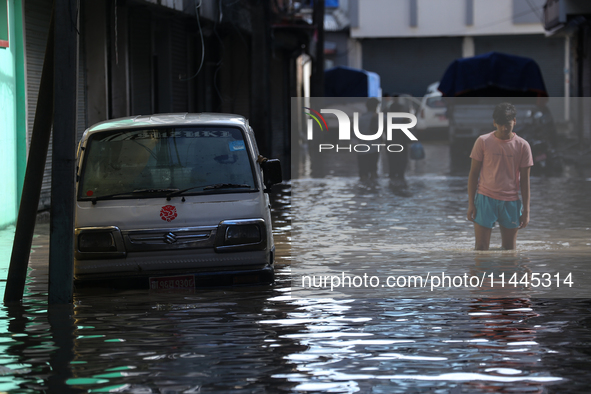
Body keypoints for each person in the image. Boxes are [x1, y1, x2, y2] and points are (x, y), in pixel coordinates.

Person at [467, 102, 533, 250]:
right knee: (481, 248)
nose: (504, 128)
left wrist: (526, 212)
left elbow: (525, 181)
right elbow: (473, 175)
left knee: (510, 250)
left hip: (511, 202)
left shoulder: (523, 146)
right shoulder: (483, 142)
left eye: (508, 124)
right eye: (500, 124)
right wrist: (471, 203)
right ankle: (480, 274)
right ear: (494, 122)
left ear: (514, 121)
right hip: (485, 199)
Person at [354, 97, 381, 182]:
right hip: (374, 150)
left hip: (361, 150)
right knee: (373, 173)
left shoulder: (360, 119)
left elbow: (354, 136)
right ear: (375, 107)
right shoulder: (378, 118)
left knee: (363, 175)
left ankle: (363, 191)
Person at [387, 101, 410, 188]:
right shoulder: (404, 119)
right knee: (402, 162)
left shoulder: (387, 119)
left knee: (392, 162)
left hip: (390, 143)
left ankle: (393, 178)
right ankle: (400, 177)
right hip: (401, 142)